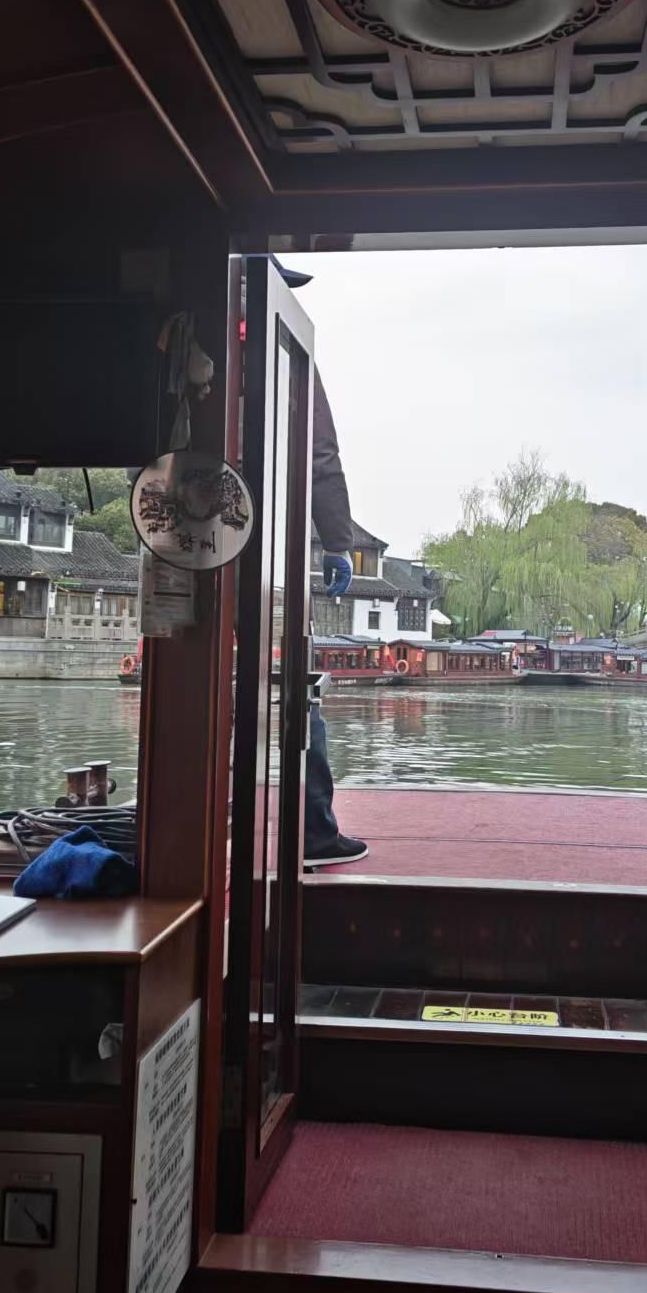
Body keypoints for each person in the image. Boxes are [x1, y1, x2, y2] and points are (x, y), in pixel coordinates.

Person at [276, 264, 369, 867]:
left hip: (181, 540)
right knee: (298, 688)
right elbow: (321, 453)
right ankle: (313, 832)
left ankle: (188, 829)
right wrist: (337, 541)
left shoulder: (175, 330)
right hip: (269, 553)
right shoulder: (288, 349)